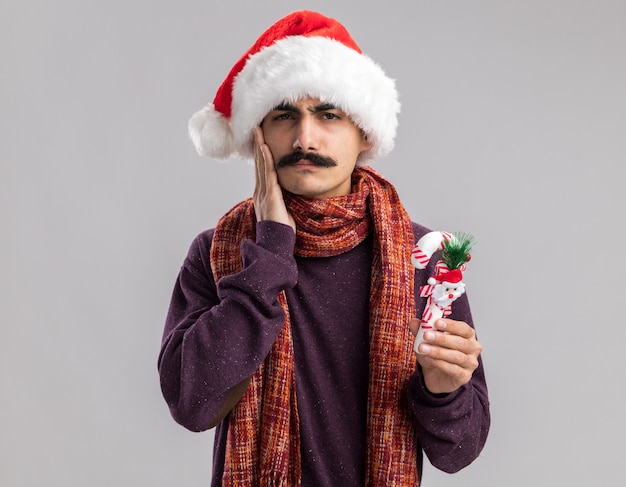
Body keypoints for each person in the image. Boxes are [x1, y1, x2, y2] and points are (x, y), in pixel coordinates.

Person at [158, 10, 490, 487]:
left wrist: (442, 390)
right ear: (259, 136)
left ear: (364, 135)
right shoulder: (219, 253)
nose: (304, 138)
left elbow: (459, 451)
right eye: (284, 115)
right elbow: (192, 404)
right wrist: (270, 249)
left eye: (328, 115)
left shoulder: (423, 256)